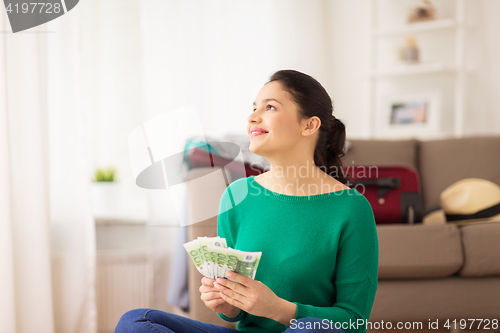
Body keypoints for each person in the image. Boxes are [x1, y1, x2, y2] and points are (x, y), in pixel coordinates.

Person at [114, 69, 379, 333]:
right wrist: (228, 304)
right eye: (253, 108)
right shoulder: (236, 196)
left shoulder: (351, 209)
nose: (252, 117)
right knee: (136, 320)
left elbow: (353, 320)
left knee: (313, 329)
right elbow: (235, 311)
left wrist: (278, 309)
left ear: (309, 125)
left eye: (270, 107)